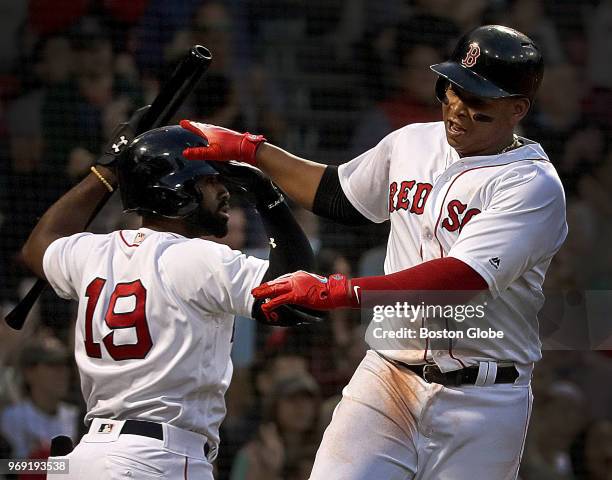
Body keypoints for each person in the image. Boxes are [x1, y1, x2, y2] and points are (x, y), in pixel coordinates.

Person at [179, 25, 568, 479]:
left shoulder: (532, 185)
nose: (458, 109)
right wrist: (252, 150)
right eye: (452, 90)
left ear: (517, 109)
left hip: (483, 402)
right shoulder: (412, 142)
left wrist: (338, 292)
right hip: (387, 376)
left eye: (479, 101)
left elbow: (460, 279)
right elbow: (338, 194)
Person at [20, 117, 316, 478]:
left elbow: (39, 245)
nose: (223, 190)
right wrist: (268, 197)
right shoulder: (200, 258)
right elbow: (300, 295)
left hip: (88, 457)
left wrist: (108, 171)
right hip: (160, 458)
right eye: (208, 179)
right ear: (176, 188)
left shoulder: (93, 253)